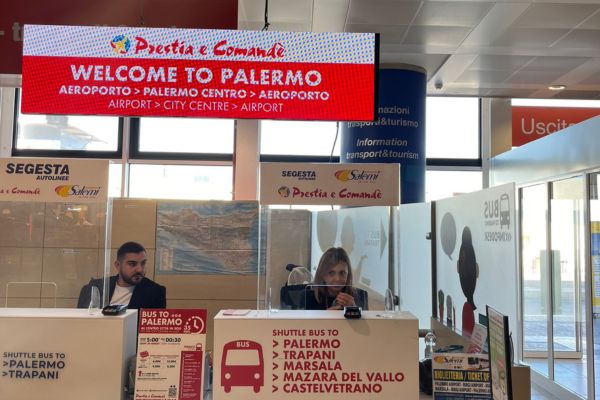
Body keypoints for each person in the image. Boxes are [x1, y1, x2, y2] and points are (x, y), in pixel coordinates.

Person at [77, 241, 166, 309]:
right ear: (118, 265)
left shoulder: (155, 292)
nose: (140, 269)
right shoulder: (95, 287)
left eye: (143, 263)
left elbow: (151, 331)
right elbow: (81, 322)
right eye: (132, 264)